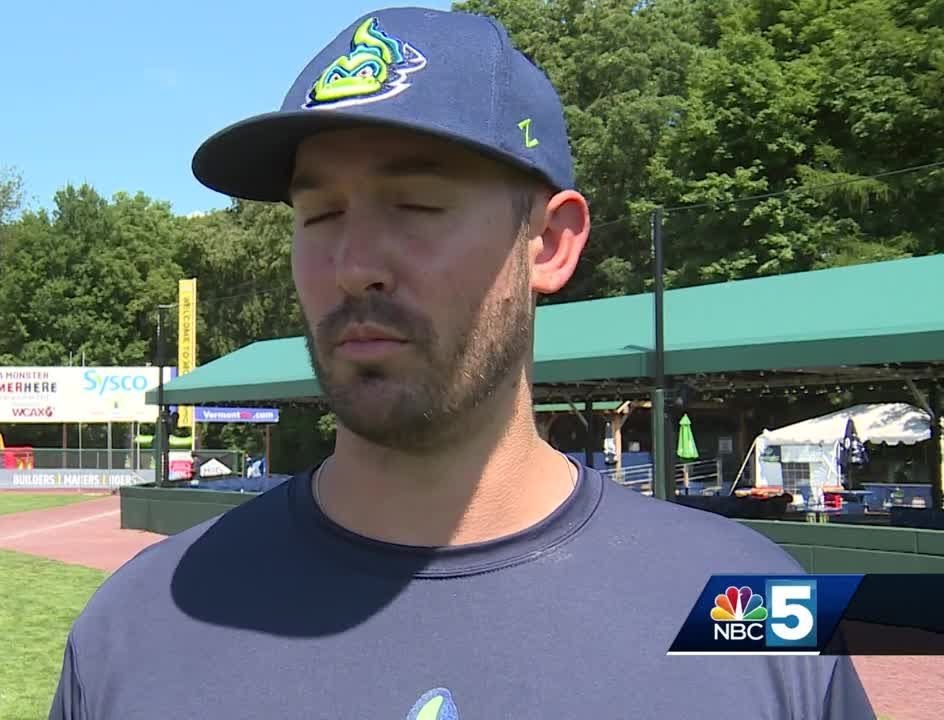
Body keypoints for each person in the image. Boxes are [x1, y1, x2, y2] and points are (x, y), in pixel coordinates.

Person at [49, 7, 875, 718]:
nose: (353, 263)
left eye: (416, 205)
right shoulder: (142, 623)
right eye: (320, 213)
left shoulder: (753, 604)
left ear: (549, 243)